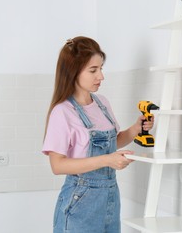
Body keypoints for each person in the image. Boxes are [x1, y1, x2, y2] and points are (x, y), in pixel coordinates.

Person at [42, 36, 154, 233]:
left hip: (110, 198)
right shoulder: (63, 112)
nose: (101, 76)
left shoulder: (102, 103)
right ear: (73, 72)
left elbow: (112, 142)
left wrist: (135, 129)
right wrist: (107, 161)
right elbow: (57, 165)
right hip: (80, 203)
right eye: (93, 70)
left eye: (101, 68)